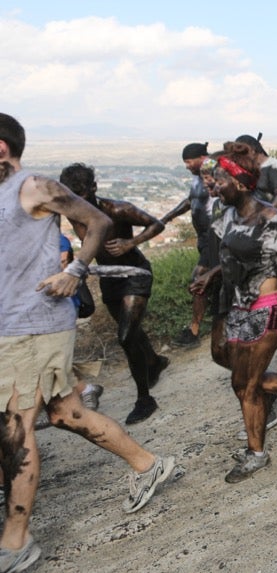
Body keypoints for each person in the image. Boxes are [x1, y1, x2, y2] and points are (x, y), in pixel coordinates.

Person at [0, 114, 177, 572]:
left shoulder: (33, 186)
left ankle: (15, 542)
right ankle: (149, 464)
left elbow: (97, 220)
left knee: (15, 429)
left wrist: (75, 269)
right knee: (63, 413)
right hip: (12, 327)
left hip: (35, 323)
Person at [190, 144, 277, 482]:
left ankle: (256, 454)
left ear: (241, 183)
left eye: (220, 181)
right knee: (243, 381)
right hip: (239, 306)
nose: (215, 186)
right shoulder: (229, 217)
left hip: (267, 307)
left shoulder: (272, 219)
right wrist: (208, 276)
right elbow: (226, 257)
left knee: (245, 384)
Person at [58, 163, 170, 424]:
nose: (78, 202)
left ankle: (145, 399)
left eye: (82, 195)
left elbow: (156, 224)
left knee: (125, 336)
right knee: (130, 329)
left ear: (93, 188)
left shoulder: (117, 209)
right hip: (108, 277)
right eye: (72, 197)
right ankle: (153, 361)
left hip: (134, 274)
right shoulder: (71, 211)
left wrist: (130, 242)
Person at [160, 142, 216, 348]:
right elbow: (189, 201)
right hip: (202, 238)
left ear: (201, 158)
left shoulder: (213, 172)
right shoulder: (196, 179)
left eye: (188, 161)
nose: (186, 165)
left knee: (199, 278)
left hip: (214, 235)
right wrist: (168, 217)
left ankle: (194, 330)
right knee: (215, 278)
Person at [234, 134, 277, 212]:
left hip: (273, 221)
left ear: (253, 150)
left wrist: (262, 216)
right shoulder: (250, 170)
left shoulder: (275, 166)